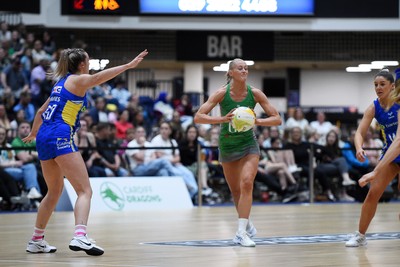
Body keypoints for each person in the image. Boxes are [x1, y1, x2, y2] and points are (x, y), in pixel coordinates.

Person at [23, 47, 148, 255]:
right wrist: (128, 66)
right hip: (59, 135)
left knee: (53, 192)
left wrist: (34, 133)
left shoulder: (60, 84)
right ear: (82, 64)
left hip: (44, 136)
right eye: (88, 61)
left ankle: (36, 239)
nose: (89, 65)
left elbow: (40, 111)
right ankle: (80, 236)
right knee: (84, 190)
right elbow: (98, 78)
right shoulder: (76, 80)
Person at [193, 58, 282, 247]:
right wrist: (222, 119)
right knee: (235, 191)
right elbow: (199, 117)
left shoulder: (255, 93)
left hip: (249, 144)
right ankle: (246, 222)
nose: (244, 71)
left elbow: (276, 119)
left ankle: (240, 233)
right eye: (240, 68)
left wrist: (256, 122)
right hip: (227, 145)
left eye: (246, 68)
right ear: (231, 73)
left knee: (247, 183)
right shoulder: (221, 93)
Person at [345, 69, 399, 247]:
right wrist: (359, 147)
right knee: (373, 193)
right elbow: (360, 132)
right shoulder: (374, 107)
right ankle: (360, 236)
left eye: (382, 84)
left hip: (397, 147)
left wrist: (374, 171)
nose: (378, 87)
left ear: (392, 86)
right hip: (390, 154)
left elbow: (399, 141)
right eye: (376, 84)